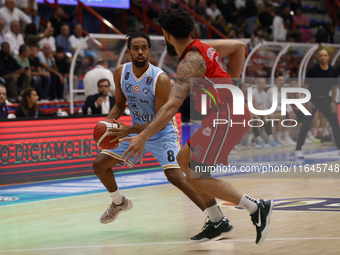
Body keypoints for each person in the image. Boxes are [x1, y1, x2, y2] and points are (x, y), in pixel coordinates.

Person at [120, 8, 273, 245]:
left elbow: (170, 107)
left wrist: (142, 136)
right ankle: (216, 220)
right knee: (184, 160)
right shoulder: (203, 47)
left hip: (228, 116)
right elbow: (239, 46)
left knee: (197, 176)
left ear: (166, 34)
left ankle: (256, 207)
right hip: (226, 113)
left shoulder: (190, 62)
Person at [92, 28, 233, 243]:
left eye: (144, 48)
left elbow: (160, 119)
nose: (140, 52)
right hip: (133, 130)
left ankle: (216, 218)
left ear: (149, 51)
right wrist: (108, 125)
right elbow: (119, 106)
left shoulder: (160, 78)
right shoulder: (121, 72)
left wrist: (130, 130)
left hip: (162, 131)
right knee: (99, 164)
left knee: (175, 176)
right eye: (135, 48)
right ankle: (119, 202)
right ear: (129, 51)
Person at [295, 49, 340, 158]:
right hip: (313, 99)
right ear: (318, 58)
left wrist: (333, 101)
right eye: (321, 55)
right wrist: (308, 101)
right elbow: (305, 86)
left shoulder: (333, 70)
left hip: (326, 99)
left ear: (328, 57)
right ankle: (298, 149)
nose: (323, 57)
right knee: (306, 123)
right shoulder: (312, 70)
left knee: (335, 124)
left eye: (325, 55)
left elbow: (334, 87)